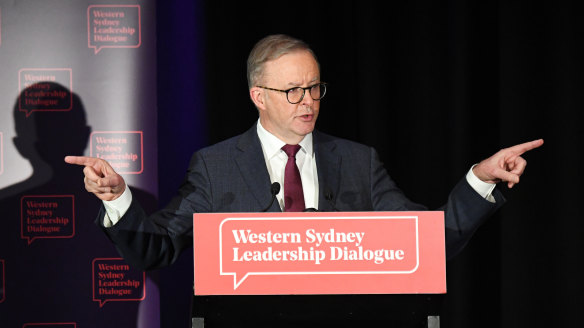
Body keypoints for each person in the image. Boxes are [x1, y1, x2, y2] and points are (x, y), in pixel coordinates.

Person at [65, 34, 543, 271]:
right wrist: (117, 197)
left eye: (315, 88)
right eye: (293, 91)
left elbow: (424, 242)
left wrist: (479, 178)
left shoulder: (358, 161)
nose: (309, 102)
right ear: (259, 95)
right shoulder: (216, 167)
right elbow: (159, 249)